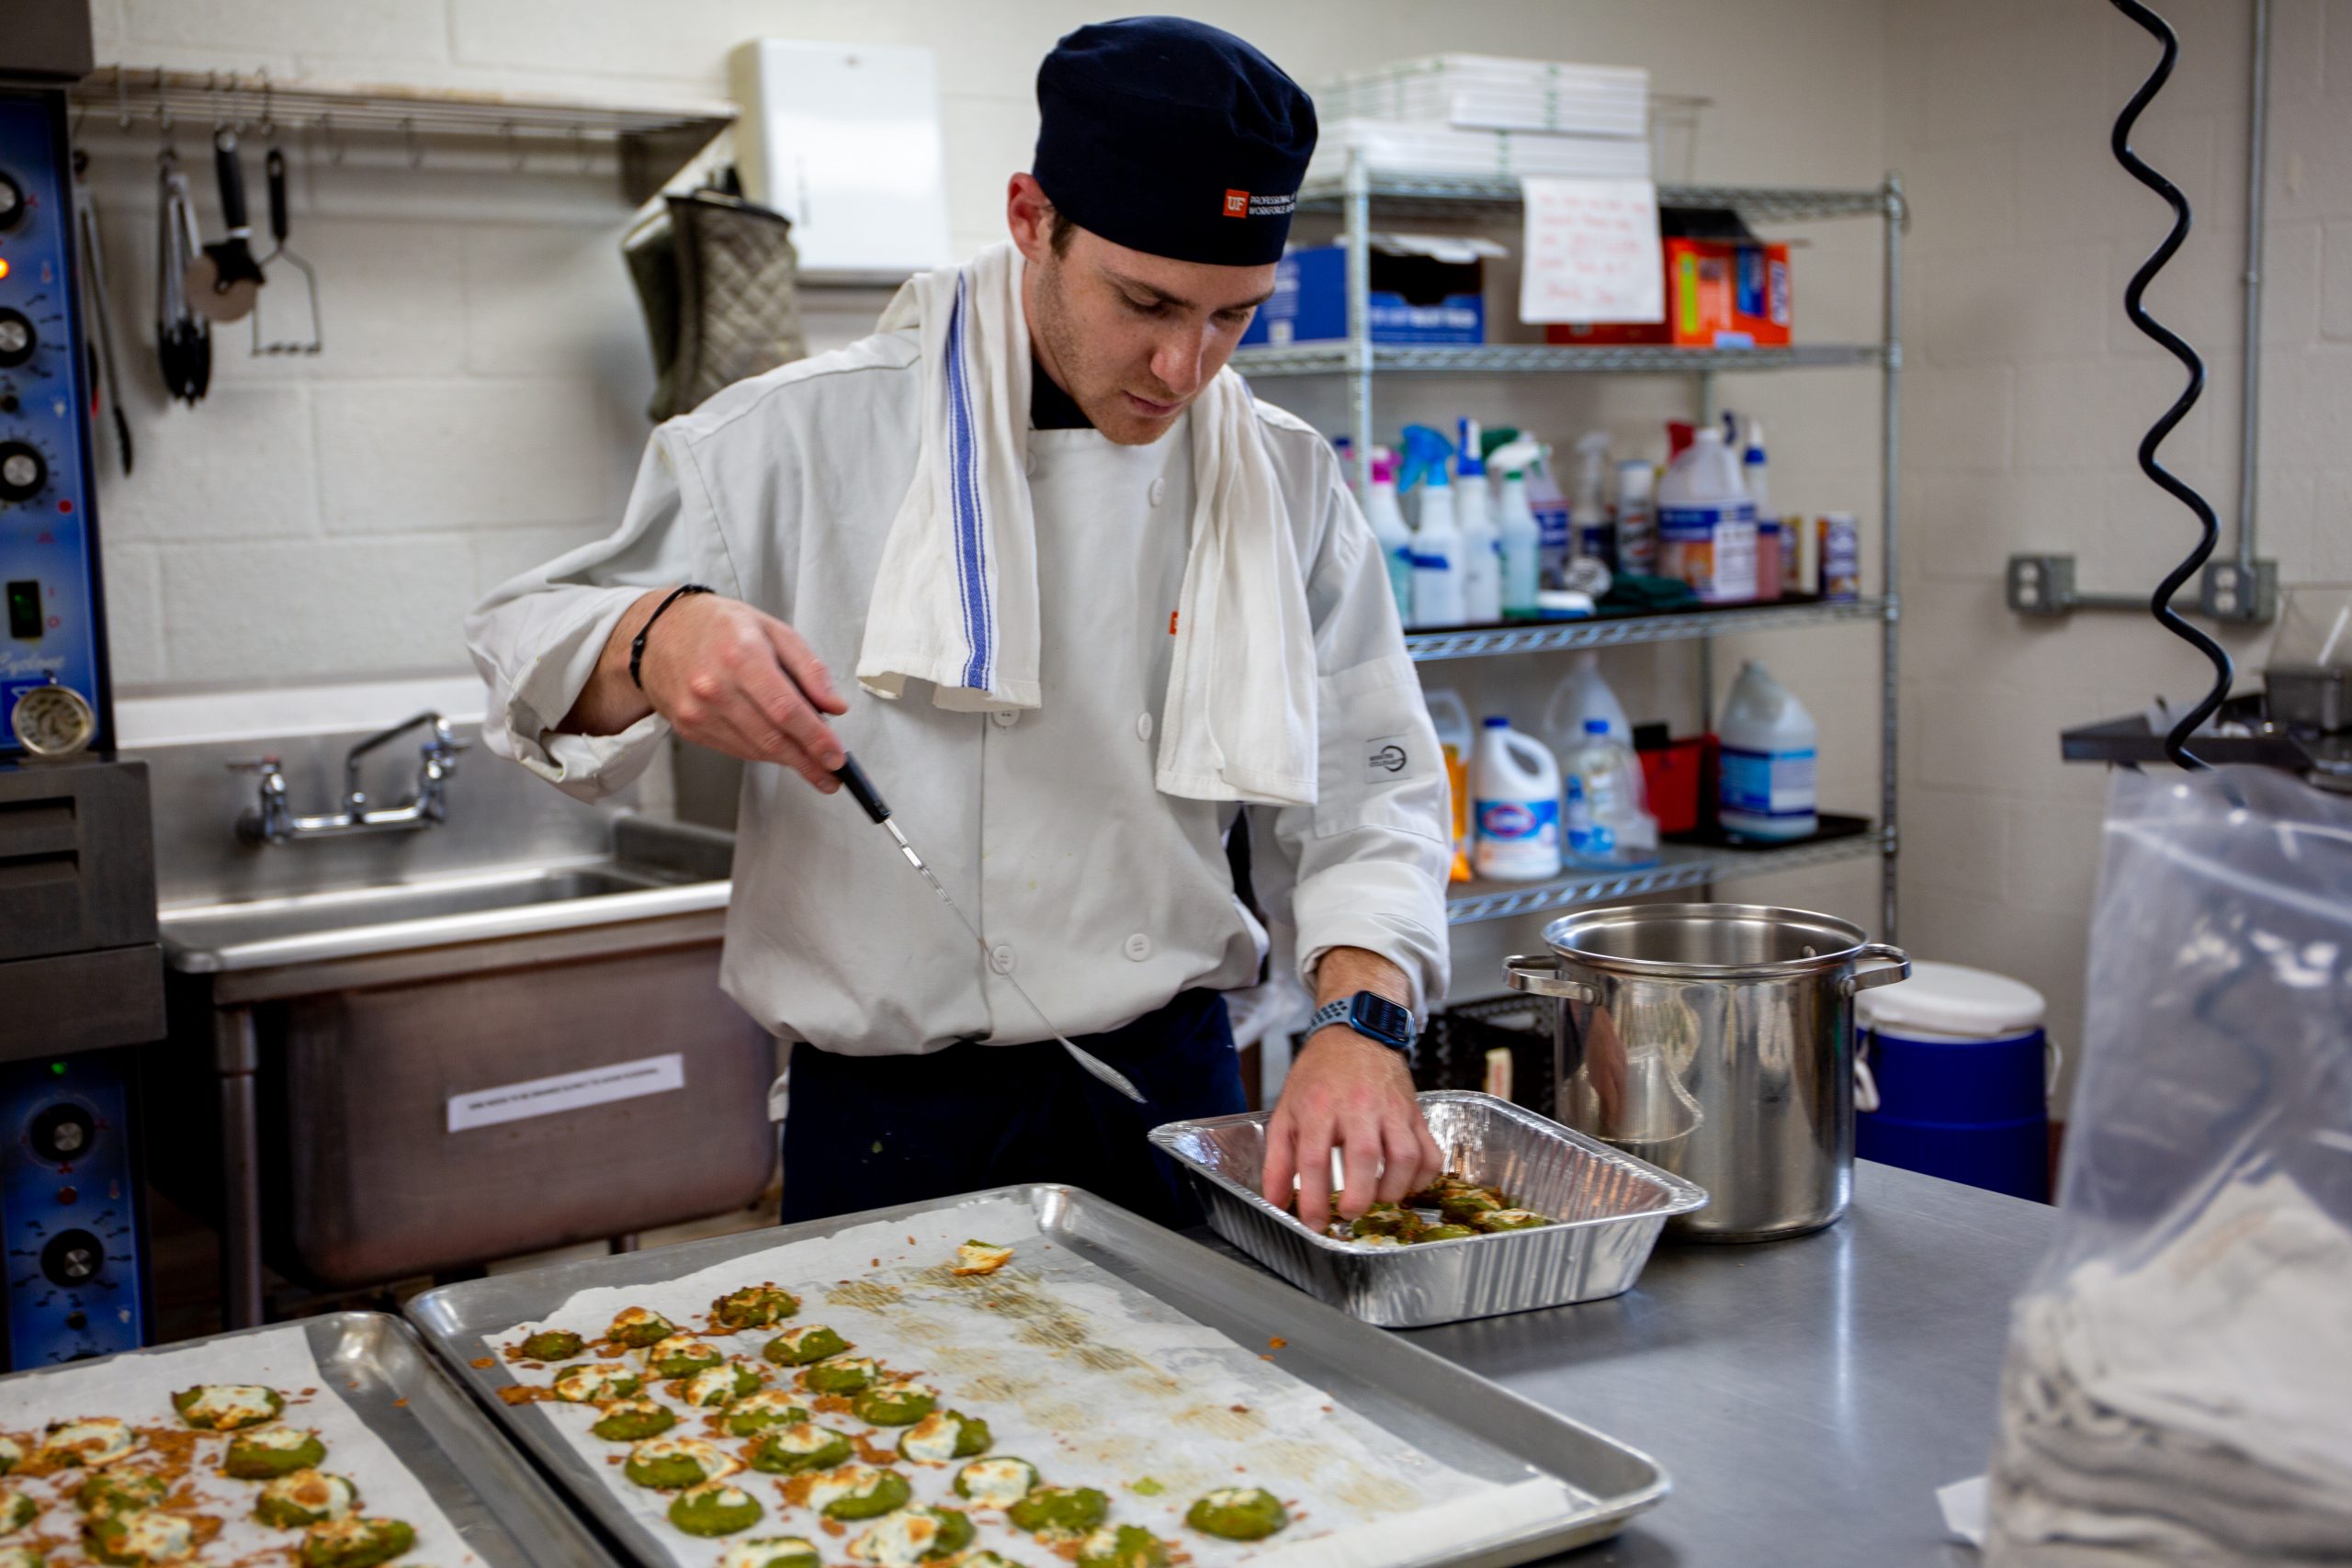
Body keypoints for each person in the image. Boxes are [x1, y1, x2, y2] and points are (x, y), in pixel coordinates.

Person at [465, 16, 1448, 1236]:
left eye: (1231, 318)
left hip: (1177, 1088)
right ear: (1032, 218)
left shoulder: (1281, 477)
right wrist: (656, 640)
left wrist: (1362, 1019)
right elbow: (525, 644)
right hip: (888, 1117)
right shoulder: (796, 441)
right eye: (1147, 301)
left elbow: (1373, 787)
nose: (1185, 367)